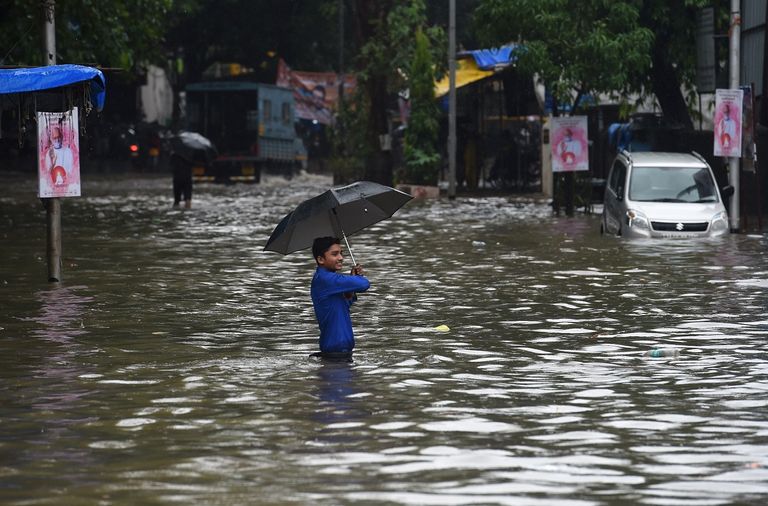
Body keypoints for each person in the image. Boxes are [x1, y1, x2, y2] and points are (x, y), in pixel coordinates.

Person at [310, 237, 370, 360]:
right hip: (335, 356)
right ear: (320, 259)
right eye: (334, 254)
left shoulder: (331, 281)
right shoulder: (325, 279)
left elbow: (344, 304)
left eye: (341, 253)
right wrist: (357, 279)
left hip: (341, 354)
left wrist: (352, 281)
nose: (341, 258)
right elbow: (364, 284)